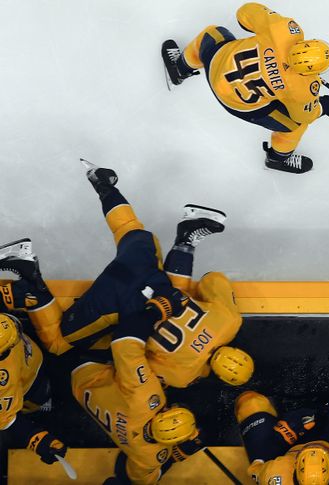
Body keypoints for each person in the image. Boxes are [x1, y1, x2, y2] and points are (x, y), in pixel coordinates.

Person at [1, 161, 253, 388]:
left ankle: (104, 184)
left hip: (147, 271)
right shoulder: (183, 375)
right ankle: (29, 277)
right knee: (57, 343)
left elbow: (212, 279)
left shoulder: (230, 322)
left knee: (129, 230)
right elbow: (130, 355)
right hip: (118, 302)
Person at [162, 2, 329, 174]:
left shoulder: (283, 30)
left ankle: (180, 69)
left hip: (218, 62)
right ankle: (278, 158)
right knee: (294, 125)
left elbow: (244, 13)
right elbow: (307, 115)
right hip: (237, 103)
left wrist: (267, 27)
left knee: (212, 33)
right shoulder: (303, 87)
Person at [70, 307, 204, 484]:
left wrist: (157, 310)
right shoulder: (152, 456)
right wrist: (173, 457)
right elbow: (132, 477)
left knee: (160, 362)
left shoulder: (145, 395)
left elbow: (124, 341)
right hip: (79, 393)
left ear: (164, 413)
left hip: (86, 367)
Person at [235, 382, 329, 484]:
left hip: (287, 448)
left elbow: (255, 469)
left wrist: (281, 439)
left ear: (296, 469)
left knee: (248, 402)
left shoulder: (273, 476)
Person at [0, 285, 67, 470]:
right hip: (30, 385)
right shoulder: (3, 381)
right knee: (39, 399)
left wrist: (10, 292)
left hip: (33, 363)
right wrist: (40, 441)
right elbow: (7, 420)